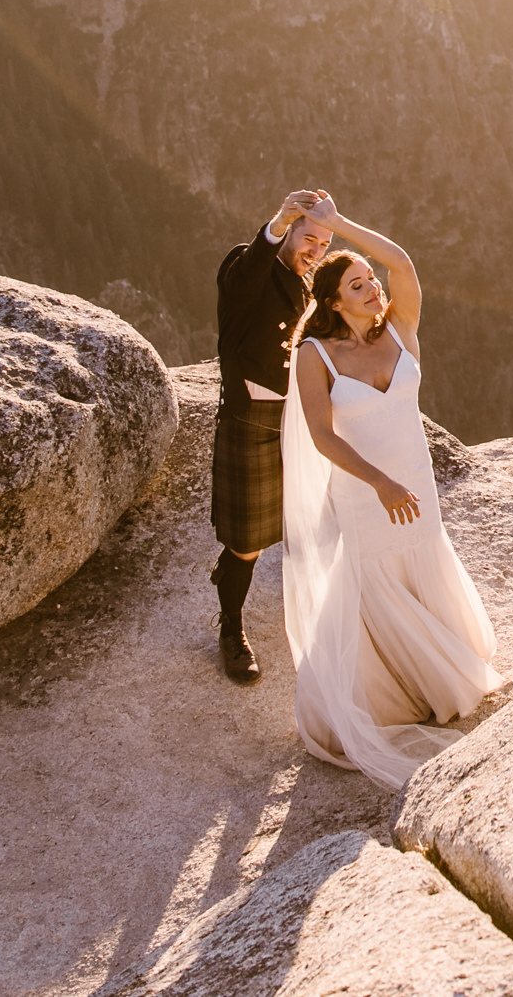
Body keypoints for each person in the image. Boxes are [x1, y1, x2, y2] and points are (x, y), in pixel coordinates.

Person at [279, 192, 501, 786]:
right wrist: (377, 482)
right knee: (374, 576)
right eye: (357, 285)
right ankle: (388, 694)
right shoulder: (315, 356)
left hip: (417, 484)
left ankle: (435, 675)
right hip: (365, 492)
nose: (375, 288)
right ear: (332, 302)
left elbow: (403, 264)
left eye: (369, 280)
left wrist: (339, 225)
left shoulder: (402, 330)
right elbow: (323, 437)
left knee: (422, 556)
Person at [208, 189, 334, 684]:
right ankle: (231, 630)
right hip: (251, 421)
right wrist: (277, 225)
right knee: (247, 542)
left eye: (323, 244)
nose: (315, 251)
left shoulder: (307, 288)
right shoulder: (248, 265)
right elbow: (244, 284)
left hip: (298, 424)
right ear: (289, 230)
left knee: (305, 529)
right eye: (309, 238)